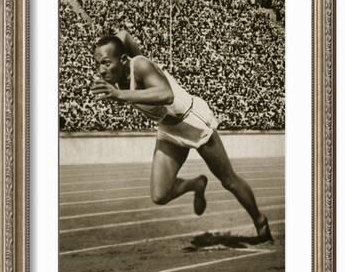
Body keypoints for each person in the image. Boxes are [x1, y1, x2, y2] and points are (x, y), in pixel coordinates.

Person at [91, 31, 273, 242]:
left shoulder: (139, 65)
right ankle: (195, 184)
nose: (101, 70)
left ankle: (260, 222)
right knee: (159, 195)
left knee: (229, 181)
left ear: (122, 59)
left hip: (192, 121)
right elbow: (122, 35)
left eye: (106, 63)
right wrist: (114, 56)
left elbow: (166, 95)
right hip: (169, 130)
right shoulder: (118, 76)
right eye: (98, 64)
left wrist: (121, 95)